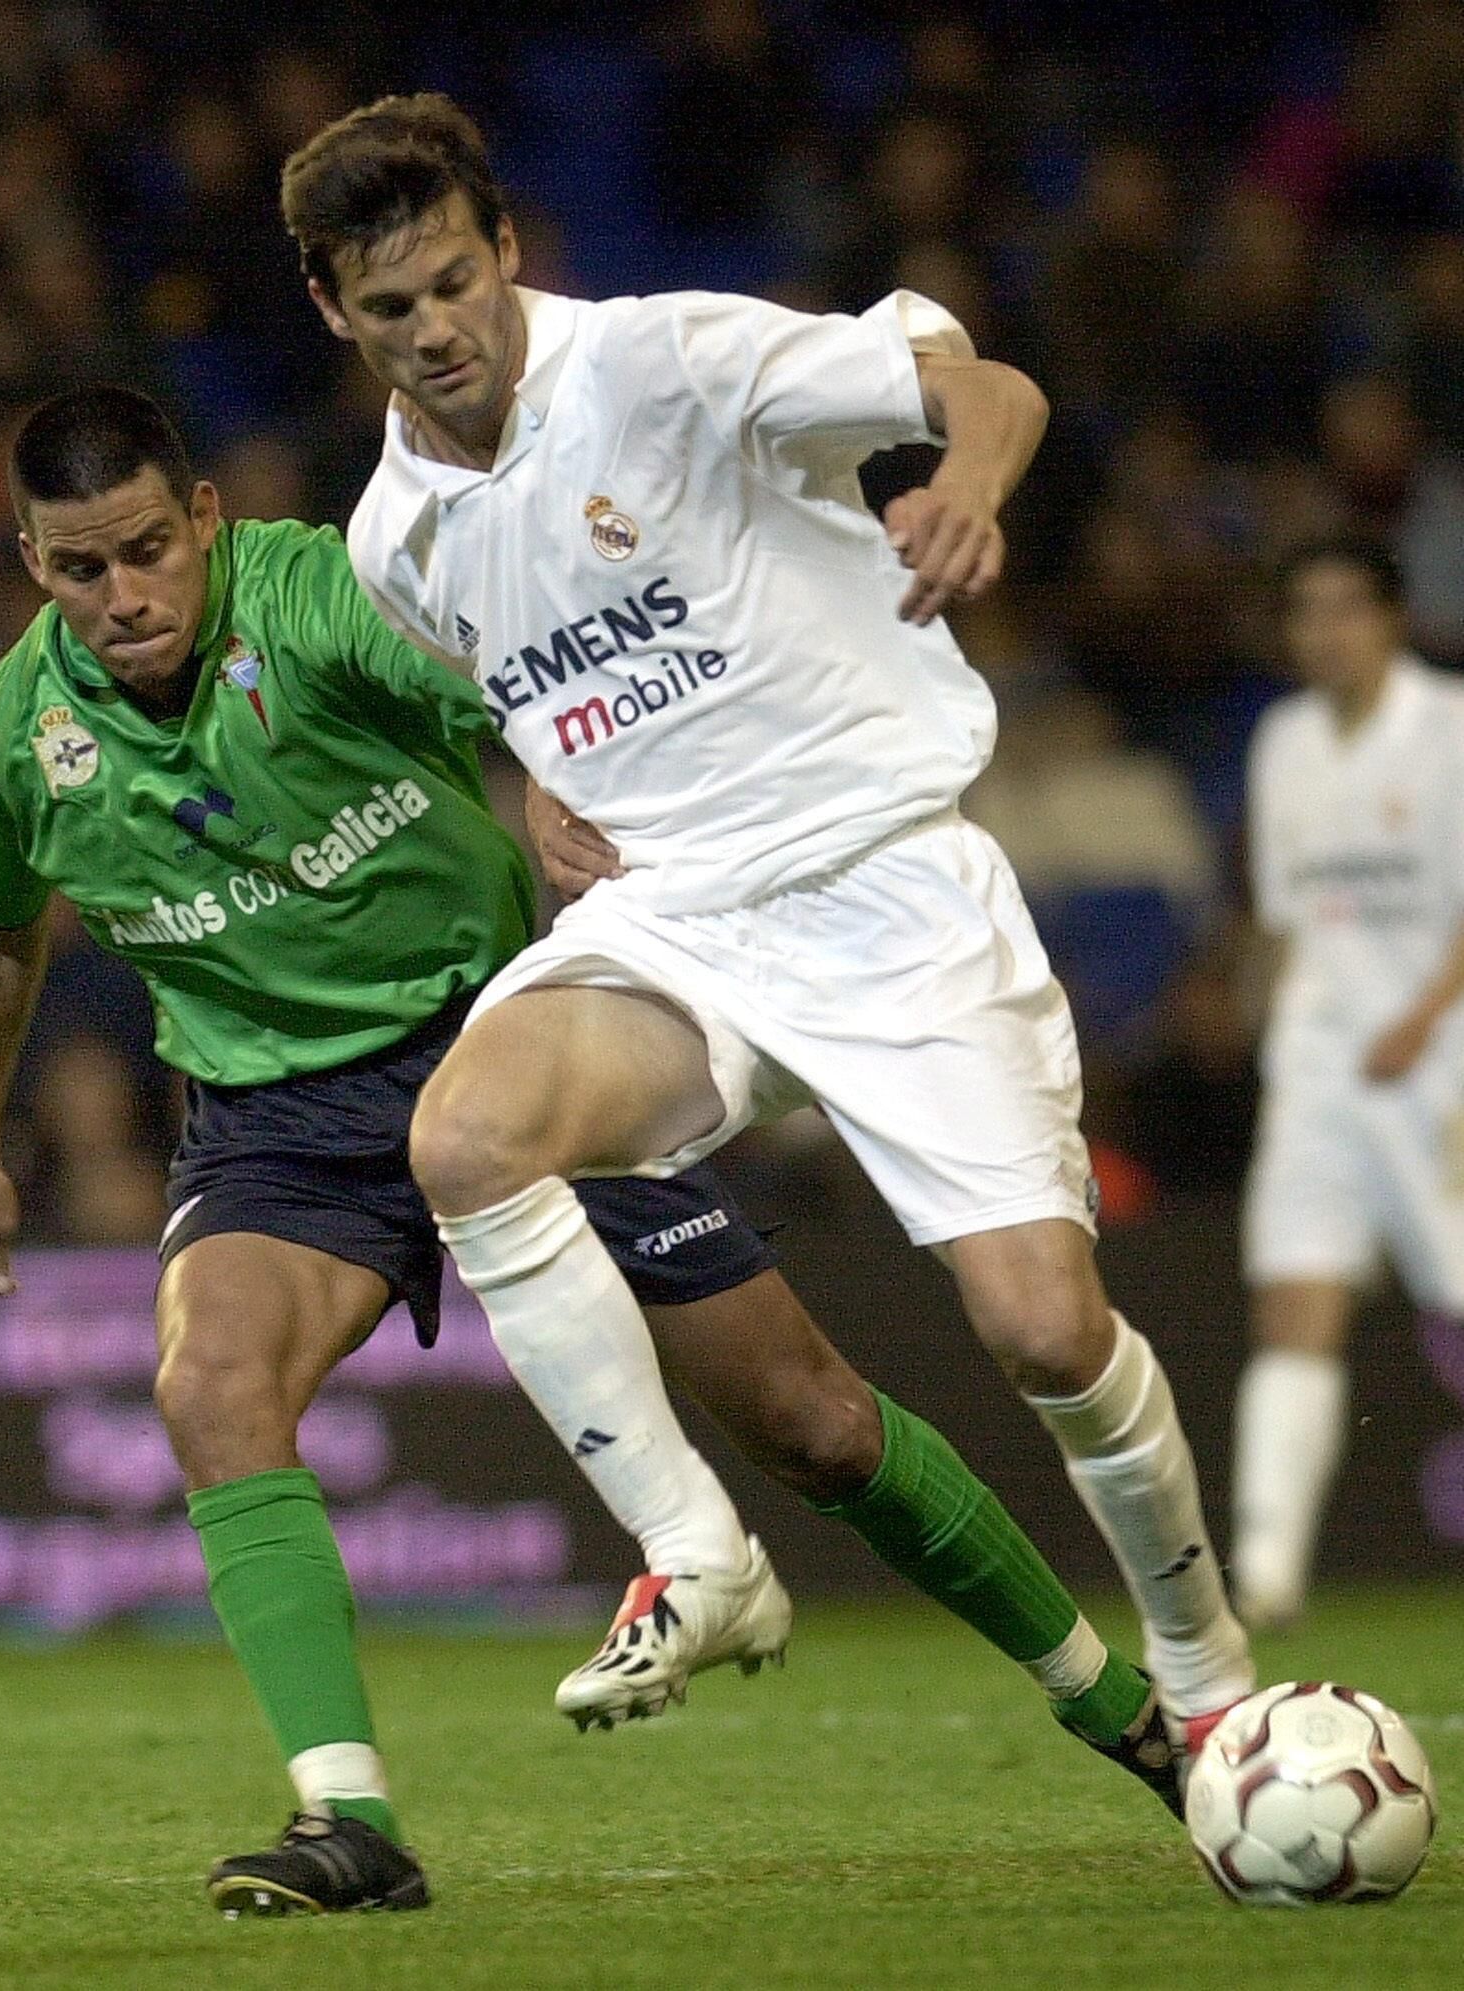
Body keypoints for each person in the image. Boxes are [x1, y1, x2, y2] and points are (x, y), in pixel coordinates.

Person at [0, 388, 1188, 1920]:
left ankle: (1117, 1705)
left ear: (203, 518)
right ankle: (348, 1820)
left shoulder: (314, 590)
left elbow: (499, 664)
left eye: (146, 549)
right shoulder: (13, 736)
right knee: (209, 1385)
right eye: (79, 569)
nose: (125, 597)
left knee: (810, 1423)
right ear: (27, 563)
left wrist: (541, 769)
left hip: (498, 1057)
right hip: (281, 1123)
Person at [283, 93, 1254, 1763]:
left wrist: (965, 487)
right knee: (470, 1134)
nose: (434, 330)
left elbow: (985, 384)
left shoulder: (659, 362)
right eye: (390, 307)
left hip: (884, 881)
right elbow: (532, 669)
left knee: (1042, 1332)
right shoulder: (392, 537)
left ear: (507, 247)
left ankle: (1209, 1671)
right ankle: (695, 1550)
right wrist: (541, 775)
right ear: (331, 310)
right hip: (683, 915)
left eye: (454, 282)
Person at [1234, 534, 1464, 1626]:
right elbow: (1286, 915)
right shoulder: (1281, 740)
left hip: (1441, 1063)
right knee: (1294, 1301)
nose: (1324, 631)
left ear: (1390, 617)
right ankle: (1266, 1568)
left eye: (1345, 607)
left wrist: (1422, 1015)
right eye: (1305, 610)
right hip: (1320, 1069)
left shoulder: (1450, 726)